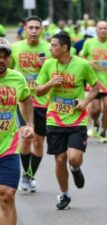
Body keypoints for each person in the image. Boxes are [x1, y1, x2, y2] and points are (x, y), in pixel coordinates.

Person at [35, 32, 100, 210]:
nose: (50, 48)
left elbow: (96, 86)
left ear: (64, 47)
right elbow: (38, 91)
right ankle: (64, 195)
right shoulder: (48, 64)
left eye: (54, 45)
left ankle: (76, 169)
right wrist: (50, 84)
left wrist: (85, 101)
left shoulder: (82, 65)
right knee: (59, 159)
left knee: (74, 158)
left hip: (77, 119)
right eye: (50, 45)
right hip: (54, 119)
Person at [10, 15, 51, 192]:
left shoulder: (50, 49)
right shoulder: (15, 48)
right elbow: (7, 70)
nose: (34, 31)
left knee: (39, 141)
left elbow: (58, 73)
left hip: (43, 101)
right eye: (31, 28)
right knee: (26, 137)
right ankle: (25, 175)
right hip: (22, 101)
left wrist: (47, 65)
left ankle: (30, 174)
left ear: (41, 30)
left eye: (37, 28)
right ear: (25, 29)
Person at [0, 38, 34, 225]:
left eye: (5, 56)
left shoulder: (17, 78)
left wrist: (29, 123)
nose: (1, 60)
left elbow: (26, 98)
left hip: (8, 147)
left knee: (7, 195)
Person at [80, 21, 107, 143]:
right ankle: (96, 123)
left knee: (106, 108)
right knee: (95, 109)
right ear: (96, 30)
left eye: (105, 28)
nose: (102, 30)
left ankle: (103, 132)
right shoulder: (89, 43)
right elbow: (82, 56)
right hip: (94, 81)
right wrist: (88, 63)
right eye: (100, 28)